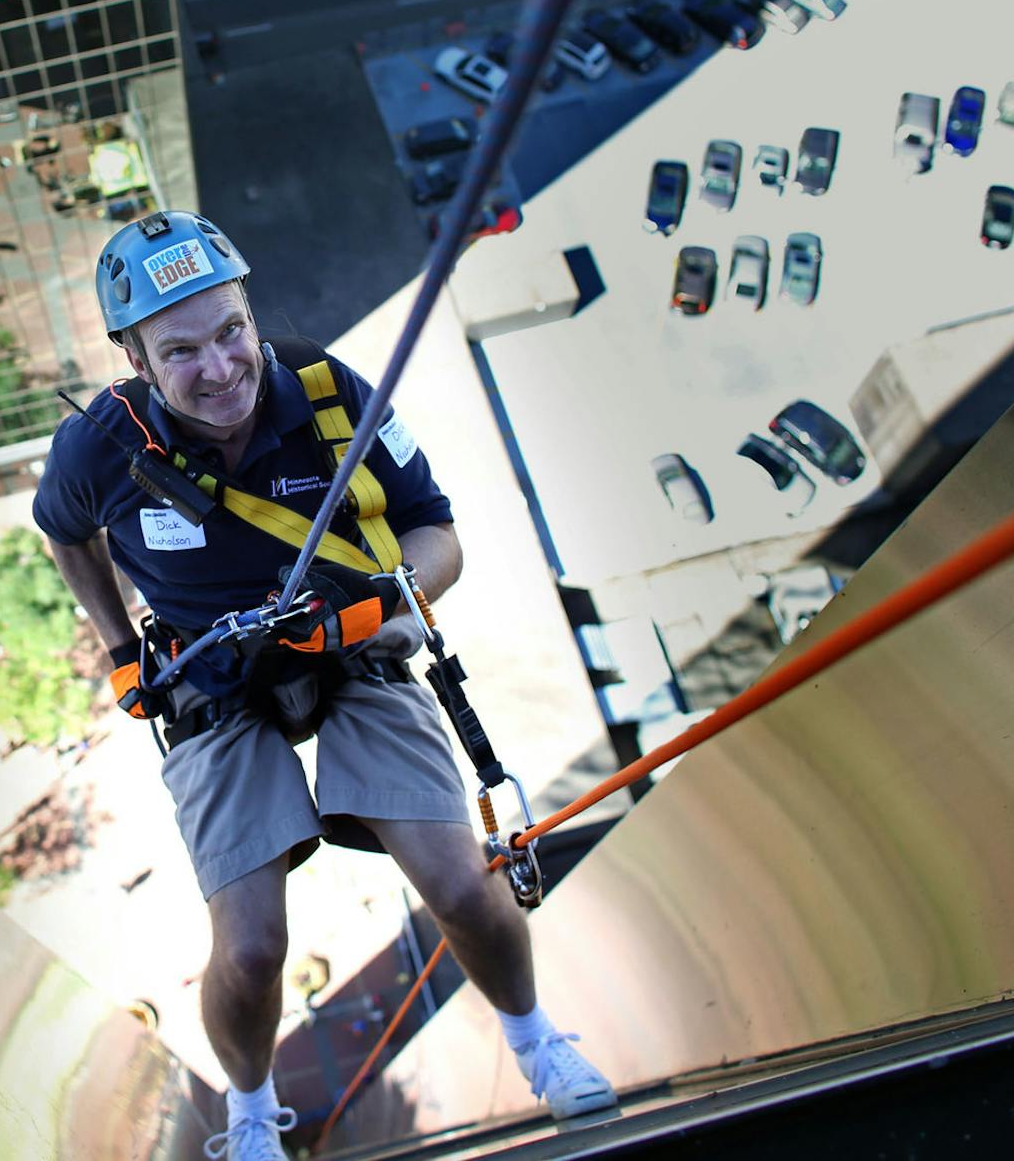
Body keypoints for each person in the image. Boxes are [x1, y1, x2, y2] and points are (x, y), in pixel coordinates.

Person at [32, 211, 617, 1159]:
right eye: (181, 351)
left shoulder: (327, 390)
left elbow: (438, 533)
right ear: (137, 360)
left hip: (347, 644)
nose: (221, 368)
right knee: (255, 946)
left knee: (462, 888)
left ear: (251, 313)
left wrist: (386, 605)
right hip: (210, 673)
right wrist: (117, 644)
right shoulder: (101, 448)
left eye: (231, 331)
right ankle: (252, 1113)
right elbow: (65, 532)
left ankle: (537, 1041)